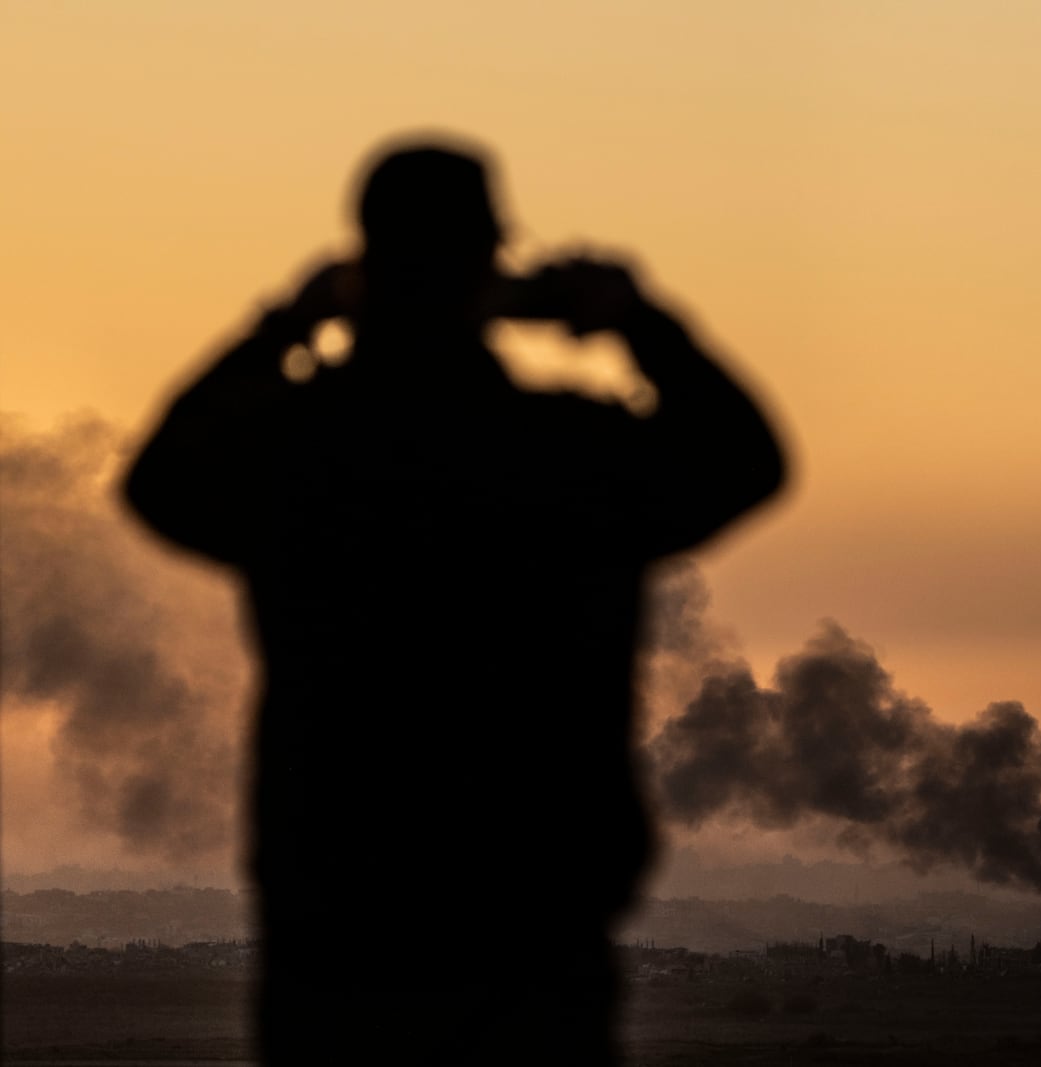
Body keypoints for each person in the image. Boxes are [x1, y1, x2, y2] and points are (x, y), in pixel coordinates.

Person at [123, 138, 786, 1064]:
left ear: (365, 269)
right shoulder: (567, 456)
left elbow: (158, 479)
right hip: (530, 944)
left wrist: (282, 324)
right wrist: (633, 319)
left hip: (341, 947)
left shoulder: (304, 456)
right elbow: (747, 457)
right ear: (491, 265)